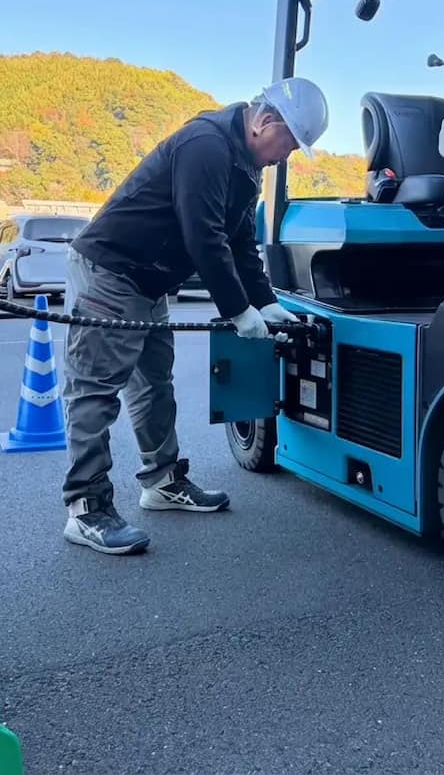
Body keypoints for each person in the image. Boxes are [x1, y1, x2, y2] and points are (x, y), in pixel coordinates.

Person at [59, 77, 329, 554]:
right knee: (95, 392)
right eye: (288, 143)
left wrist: (265, 302)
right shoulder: (205, 145)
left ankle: (161, 483)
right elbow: (203, 237)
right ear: (265, 121)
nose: (286, 155)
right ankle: (86, 508)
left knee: (153, 387)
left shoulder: (246, 166)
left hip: (149, 281)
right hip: (111, 272)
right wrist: (239, 311)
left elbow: (241, 244)